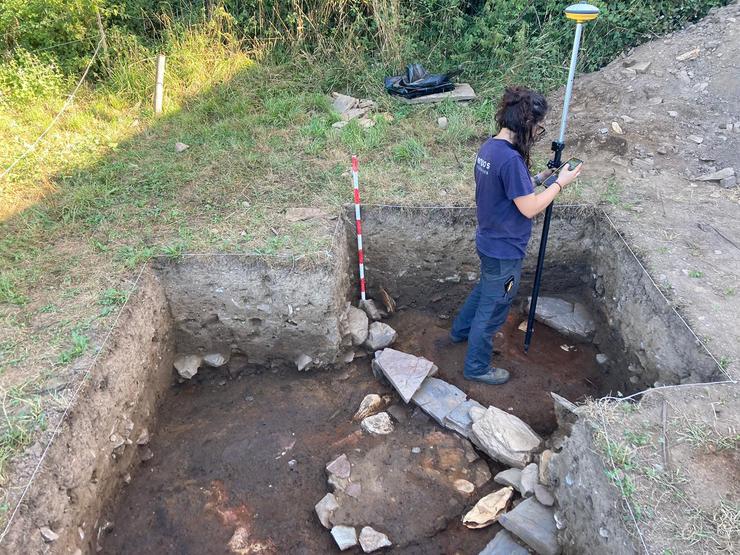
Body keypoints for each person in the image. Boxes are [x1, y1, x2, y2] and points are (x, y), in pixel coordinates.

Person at [450, 86, 583, 385]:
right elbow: (529, 207)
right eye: (538, 126)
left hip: (489, 241)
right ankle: (477, 367)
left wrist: (542, 178)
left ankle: (459, 332)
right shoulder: (510, 160)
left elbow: (510, 188)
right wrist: (560, 184)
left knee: (486, 290)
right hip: (505, 251)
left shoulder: (491, 148)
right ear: (527, 124)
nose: (539, 132)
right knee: (496, 305)